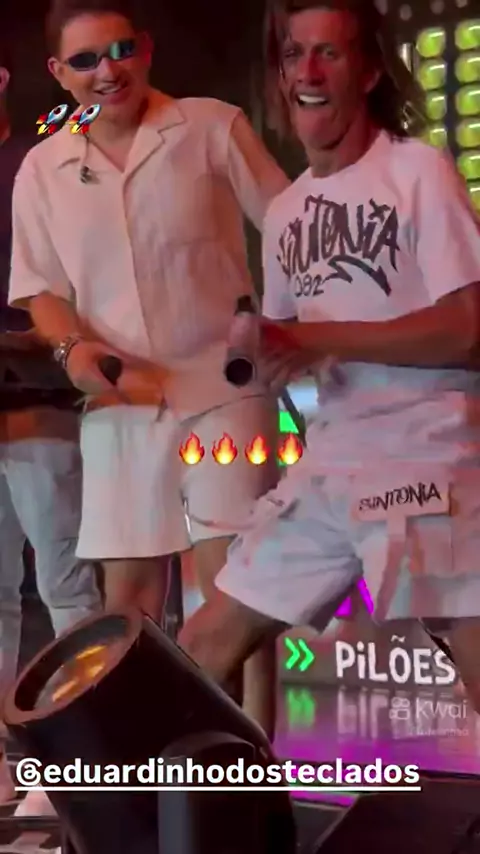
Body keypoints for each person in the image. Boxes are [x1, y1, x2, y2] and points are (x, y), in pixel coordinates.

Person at [178, 0, 480, 721]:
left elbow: (468, 328)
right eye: (294, 54)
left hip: (427, 456)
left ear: (369, 72)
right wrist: (267, 350)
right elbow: (292, 340)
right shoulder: (287, 213)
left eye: (329, 53)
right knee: (198, 648)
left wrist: (319, 340)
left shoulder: (417, 170)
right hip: (331, 462)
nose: (307, 73)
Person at [8, 0, 290, 742]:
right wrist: (74, 352)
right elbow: (40, 291)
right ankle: (140, 779)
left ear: (147, 48)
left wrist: (291, 328)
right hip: (118, 403)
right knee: (124, 606)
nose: (108, 71)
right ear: (58, 73)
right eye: (86, 60)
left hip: (225, 391)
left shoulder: (211, 126)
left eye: (121, 50)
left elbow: (291, 227)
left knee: (233, 591)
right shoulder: (43, 169)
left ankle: (250, 772)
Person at [0, 42, 102, 814]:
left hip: (39, 401)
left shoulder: (42, 164)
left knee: (67, 585)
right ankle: (12, 761)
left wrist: (37, 342)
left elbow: (71, 295)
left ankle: (79, 757)